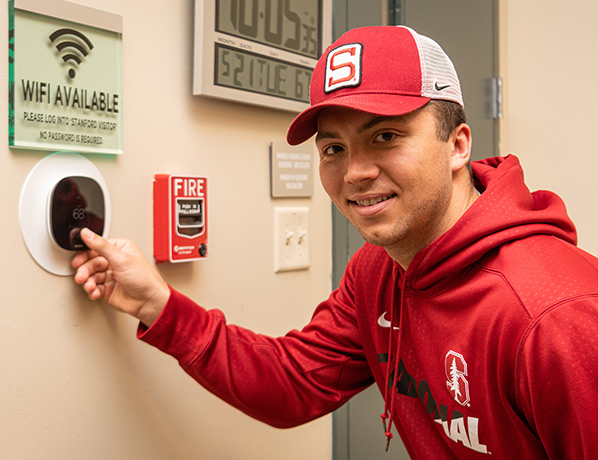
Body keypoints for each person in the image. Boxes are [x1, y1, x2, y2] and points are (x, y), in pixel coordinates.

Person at [72, 26, 598, 458]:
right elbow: (293, 383)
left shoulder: (557, 316)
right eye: (334, 149)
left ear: (457, 144)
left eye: (386, 136)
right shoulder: (378, 271)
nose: (355, 173)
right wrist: (156, 304)